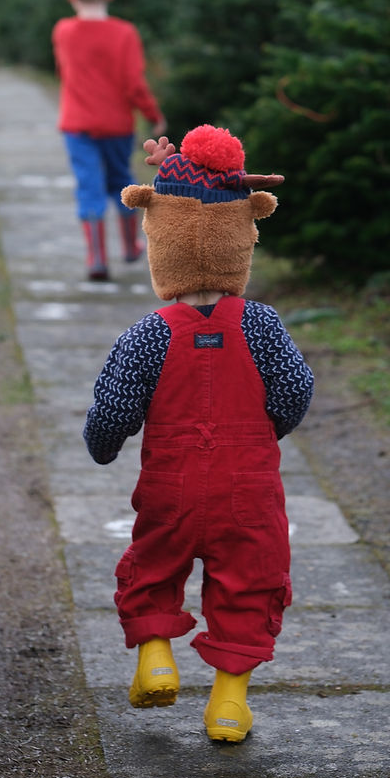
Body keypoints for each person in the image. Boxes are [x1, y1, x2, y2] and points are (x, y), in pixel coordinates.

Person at [83, 125, 314, 744]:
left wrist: (102, 446)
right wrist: (270, 433)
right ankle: (229, 705)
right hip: (250, 490)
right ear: (245, 234)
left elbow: (113, 408)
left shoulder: (149, 334)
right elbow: (296, 392)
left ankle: (156, 655)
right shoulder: (262, 325)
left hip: (171, 487)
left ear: (160, 238)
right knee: (250, 582)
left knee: (154, 564)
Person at [53, 0, 166, 282]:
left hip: (77, 126)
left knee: (88, 186)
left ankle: (97, 258)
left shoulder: (63, 31)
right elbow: (134, 84)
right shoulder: (125, 34)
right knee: (121, 180)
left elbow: (64, 73)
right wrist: (153, 114)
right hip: (117, 125)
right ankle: (131, 245)